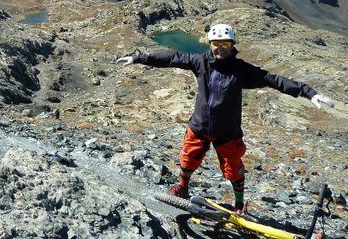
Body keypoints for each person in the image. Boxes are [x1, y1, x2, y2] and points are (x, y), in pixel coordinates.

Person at [116, 23, 334, 214]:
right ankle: (182, 187)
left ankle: (239, 204)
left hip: (227, 133)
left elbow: (273, 80)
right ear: (210, 43)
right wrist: (139, 57)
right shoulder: (200, 62)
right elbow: (172, 57)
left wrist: (308, 92)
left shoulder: (241, 71)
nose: (220, 48)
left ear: (232, 45)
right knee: (187, 160)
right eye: (216, 43)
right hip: (199, 126)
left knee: (233, 169)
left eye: (226, 44)